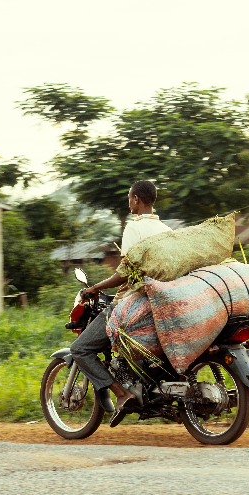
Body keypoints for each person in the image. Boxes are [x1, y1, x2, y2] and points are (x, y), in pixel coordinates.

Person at [70, 180, 171, 427]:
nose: (129, 202)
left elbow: (126, 273)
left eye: (129, 198)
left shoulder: (133, 229)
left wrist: (96, 287)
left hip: (132, 304)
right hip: (160, 303)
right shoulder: (167, 230)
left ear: (136, 199)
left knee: (80, 349)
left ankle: (122, 394)